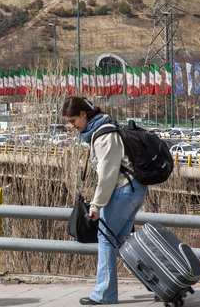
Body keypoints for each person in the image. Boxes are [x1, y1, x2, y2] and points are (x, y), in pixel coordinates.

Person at [62, 96, 147, 305]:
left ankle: (104, 294)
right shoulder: (103, 129)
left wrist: (96, 205)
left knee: (106, 240)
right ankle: (159, 281)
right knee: (124, 243)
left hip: (124, 190)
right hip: (134, 189)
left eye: (73, 120)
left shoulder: (103, 136)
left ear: (83, 114)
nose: (71, 126)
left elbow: (108, 175)